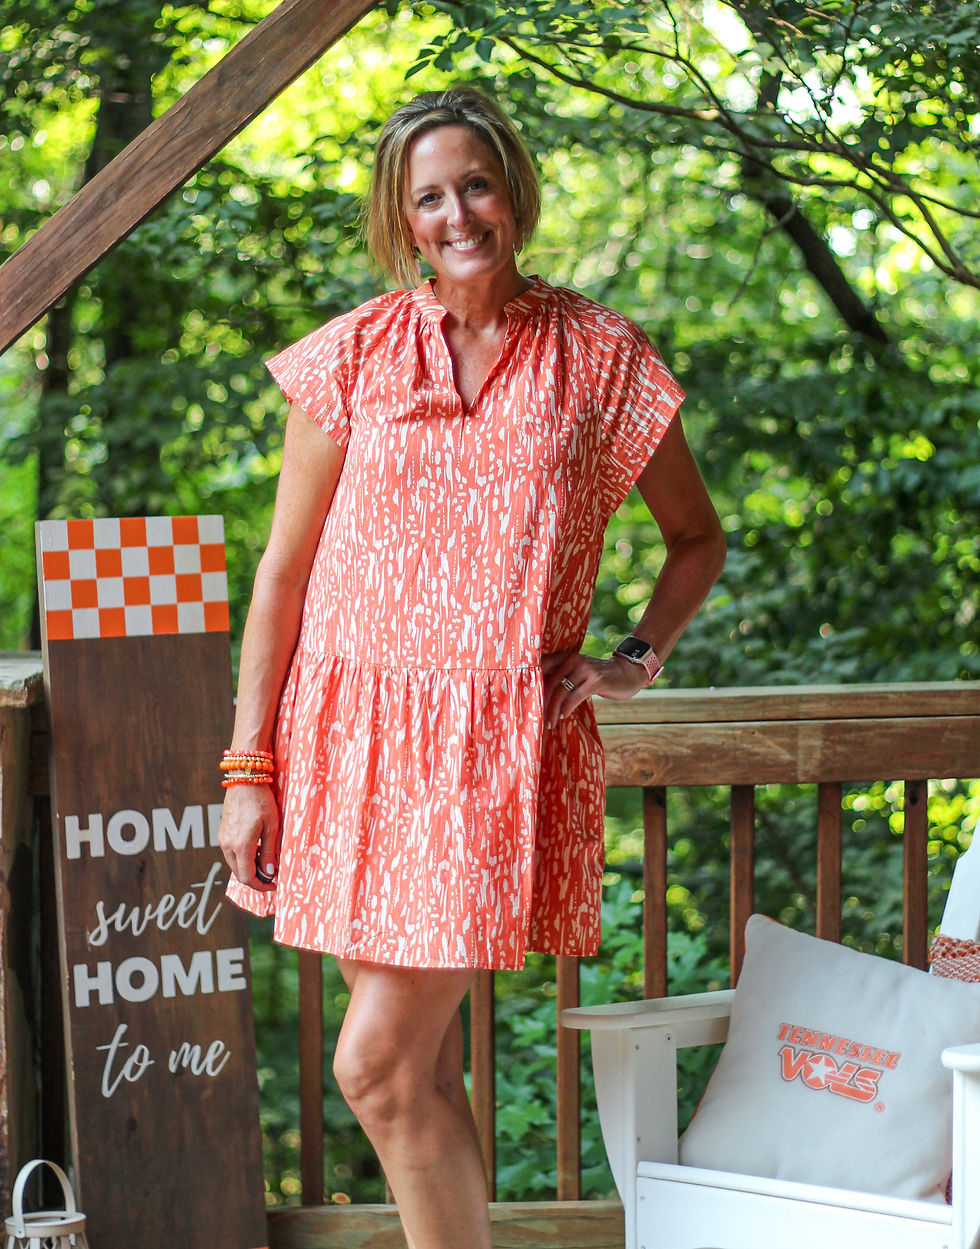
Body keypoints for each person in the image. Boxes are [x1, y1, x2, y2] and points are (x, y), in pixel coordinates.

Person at [218, 85, 726, 1249]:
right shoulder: (352, 354)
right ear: (401, 219)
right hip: (346, 741)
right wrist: (249, 766)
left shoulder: (598, 357)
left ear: (513, 193)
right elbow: (282, 577)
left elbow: (696, 537)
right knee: (418, 1077)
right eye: (429, 197)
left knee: (373, 1064)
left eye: (476, 185)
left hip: (486, 753)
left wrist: (635, 657)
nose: (457, 215)